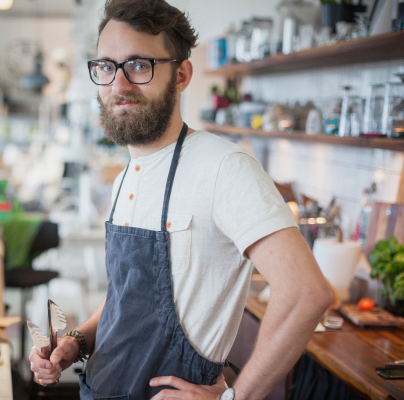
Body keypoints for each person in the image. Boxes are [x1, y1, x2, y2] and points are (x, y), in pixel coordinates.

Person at [30, 0, 333, 398]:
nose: (119, 85)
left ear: (182, 74)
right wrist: (78, 341)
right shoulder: (126, 177)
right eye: (106, 67)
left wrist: (234, 399)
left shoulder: (224, 166)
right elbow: (127, 297)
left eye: (139, 65)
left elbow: (307, 293)